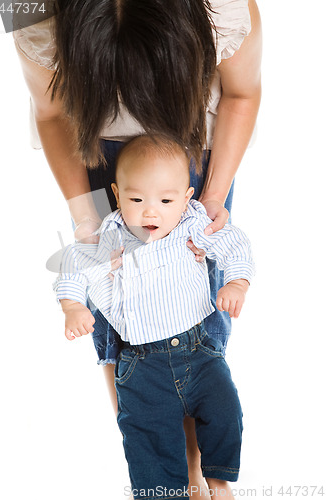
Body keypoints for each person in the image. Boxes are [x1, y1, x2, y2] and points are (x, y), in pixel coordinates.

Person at [13, 0, 262, 494]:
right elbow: (51, 111)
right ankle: (161, 480)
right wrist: (87, 214)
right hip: (96, 150)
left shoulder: (222, 7)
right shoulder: (31, 9)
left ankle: (197, 476)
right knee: (121, 332)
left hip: (189, 152)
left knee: (198, 325)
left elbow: (241, 92)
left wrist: (210, 195)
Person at [54, 135, 255, 500]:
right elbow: (73, 264)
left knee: (225, 410)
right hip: (140, 364)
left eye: (165, 200)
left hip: (199, 350)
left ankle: (219, 480)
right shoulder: (107, 235)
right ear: (116, 194)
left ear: (186, 197)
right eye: (136, 200)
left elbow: (233, 243)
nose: (151, 212)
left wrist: (236, 283)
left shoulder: (191, 222)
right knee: (148, 440)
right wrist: (72, 306)